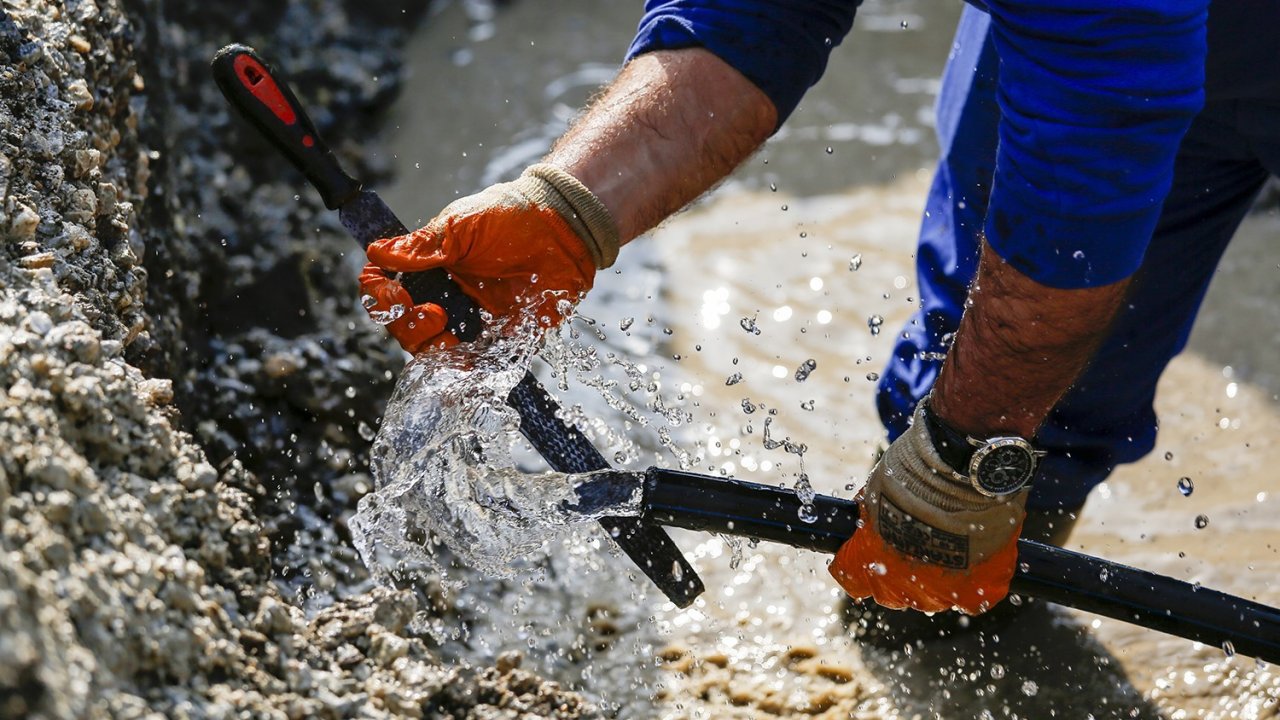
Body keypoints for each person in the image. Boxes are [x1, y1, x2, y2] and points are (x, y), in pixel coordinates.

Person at [358, 0, 1279, 620]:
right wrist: (568, 210)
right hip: (1110, 37)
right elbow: (755, 11)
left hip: (1119, 36)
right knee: (1007, 419)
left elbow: (1088, 161)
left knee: (977, 436)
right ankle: (958, 596)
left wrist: (964, 456)